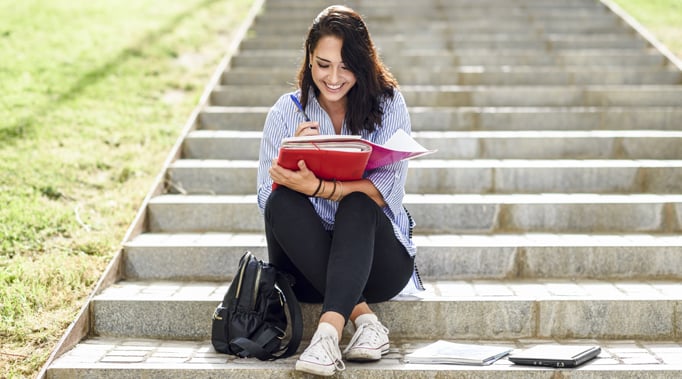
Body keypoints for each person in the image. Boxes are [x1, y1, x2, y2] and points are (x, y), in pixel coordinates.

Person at [256, 5, 423, 376]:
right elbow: (265, 200)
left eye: (345, 66)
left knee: (360, 203)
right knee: (281, 200)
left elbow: (387, 192)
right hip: (305, 268)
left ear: (363, 65)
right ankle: (365, 321)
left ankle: (327, 335)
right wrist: (290, 164)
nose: (333, 78)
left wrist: (320, 186)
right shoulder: (286, 112)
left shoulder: (389, 104)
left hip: (378, 266)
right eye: (323, 64)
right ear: (309, 60)